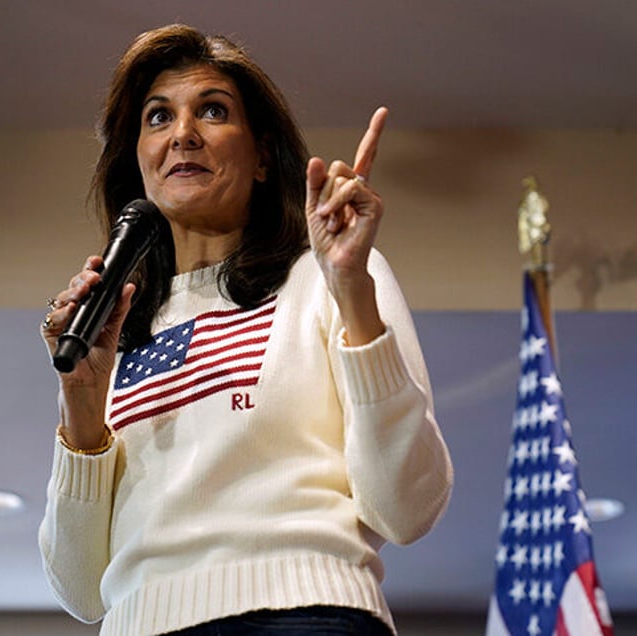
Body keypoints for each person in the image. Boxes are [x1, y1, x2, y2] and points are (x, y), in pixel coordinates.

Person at [38, 24, 453, 636]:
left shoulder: (325, 276)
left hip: (307, 615)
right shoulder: (112, 328)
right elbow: (80, 588)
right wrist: (81, 399)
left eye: (211, 110)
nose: (182, 133)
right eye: (158, 118)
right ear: (138, 162)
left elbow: (407, 508)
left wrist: (354, 296)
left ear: (261, 156)